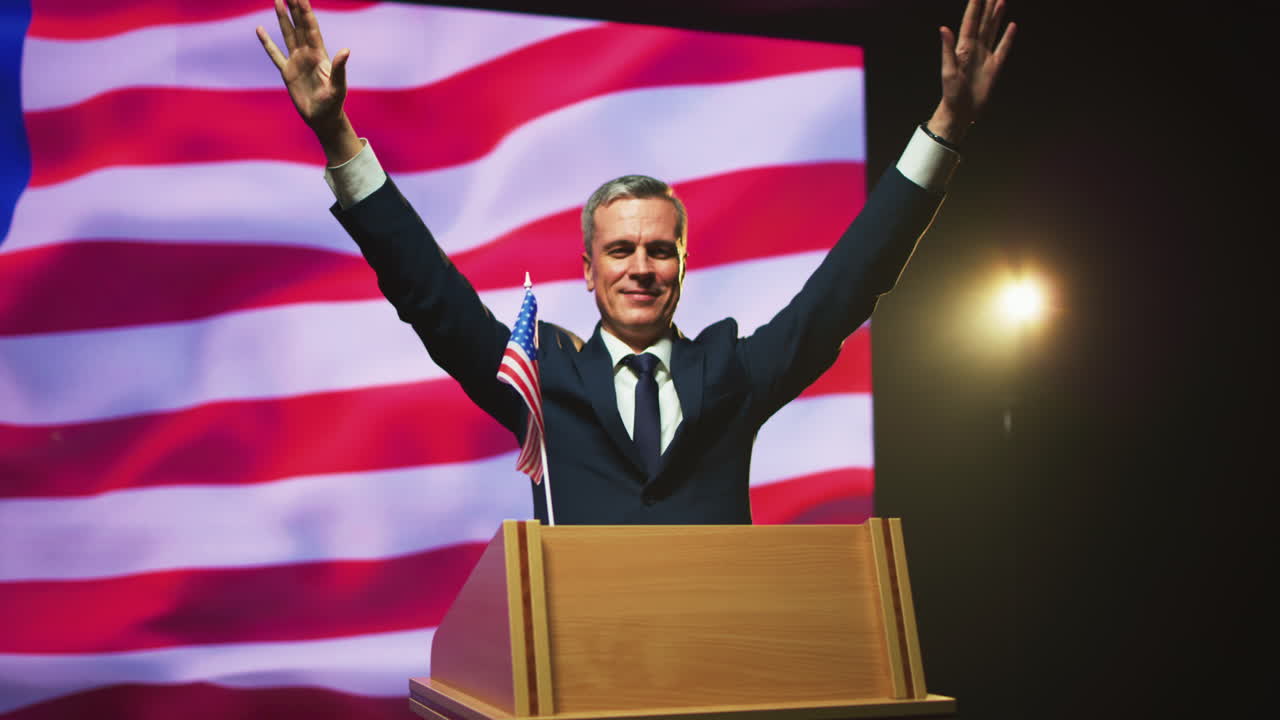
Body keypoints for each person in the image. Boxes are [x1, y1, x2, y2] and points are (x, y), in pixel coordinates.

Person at [256, 0, 1015, 524]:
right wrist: (338, 140)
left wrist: (945, 127)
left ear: (684, 266)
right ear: (587, 270)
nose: (641, 267)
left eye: (660, 249)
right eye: (620, 250)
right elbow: (429, 292)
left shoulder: (733, 376)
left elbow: (849, 284)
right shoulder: (541, 384)